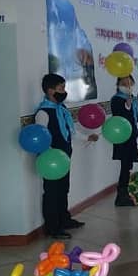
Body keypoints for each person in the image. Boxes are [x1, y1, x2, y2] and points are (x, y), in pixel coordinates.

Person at [35, 73, 95, 239]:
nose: (64, 91)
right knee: (51, 192)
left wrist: (87, 137)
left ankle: (64, 220)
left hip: (64, 158)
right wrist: (49, 157)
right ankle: (53, 227)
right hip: (51, 161)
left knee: (63, 189)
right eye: (61, 88)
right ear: (50, 91)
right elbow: (41, 138)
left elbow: (71, 131)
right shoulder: (43, 113)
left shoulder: (62, 110)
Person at [110, 74, 138, 207]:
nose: (128, 86)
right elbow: (120, 117)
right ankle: (121, 196)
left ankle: (125, 193)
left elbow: (135, 118)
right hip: (122, 138)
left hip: (131, 137)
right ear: (118, 85)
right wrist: (127, 106)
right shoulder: (116, 99)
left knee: (128, 166)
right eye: (124, 84)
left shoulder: (132, 99)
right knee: (125, 166)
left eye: (130, 83)